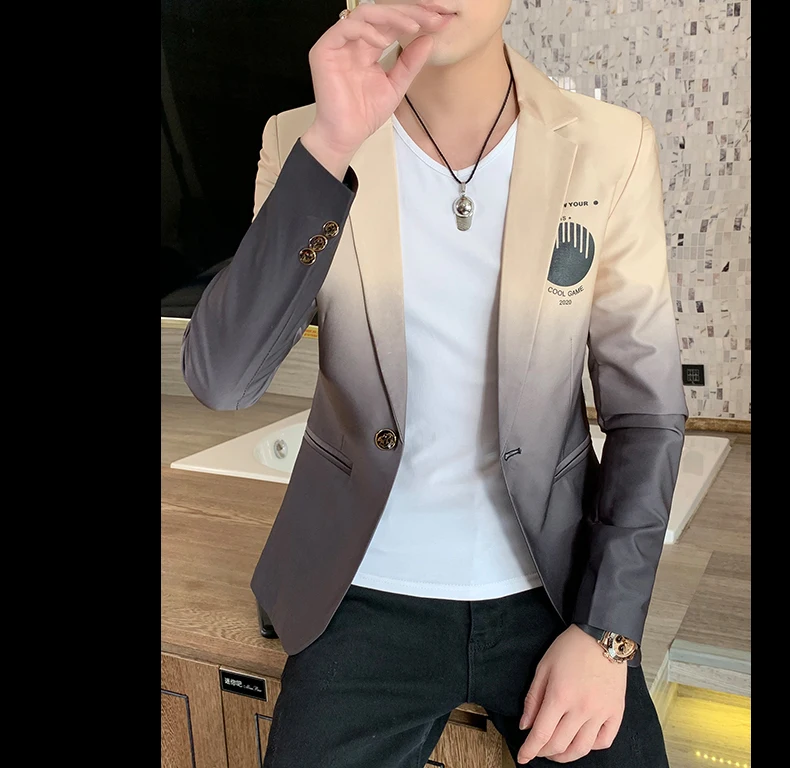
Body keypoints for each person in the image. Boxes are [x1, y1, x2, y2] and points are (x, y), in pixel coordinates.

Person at [181, 1, 688, 765]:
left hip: (555, 589)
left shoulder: (610, 146)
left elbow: (646, 413)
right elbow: (223, 379)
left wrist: (608, 633)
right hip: (359, 593)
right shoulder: (300, 138)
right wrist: (331, 148)